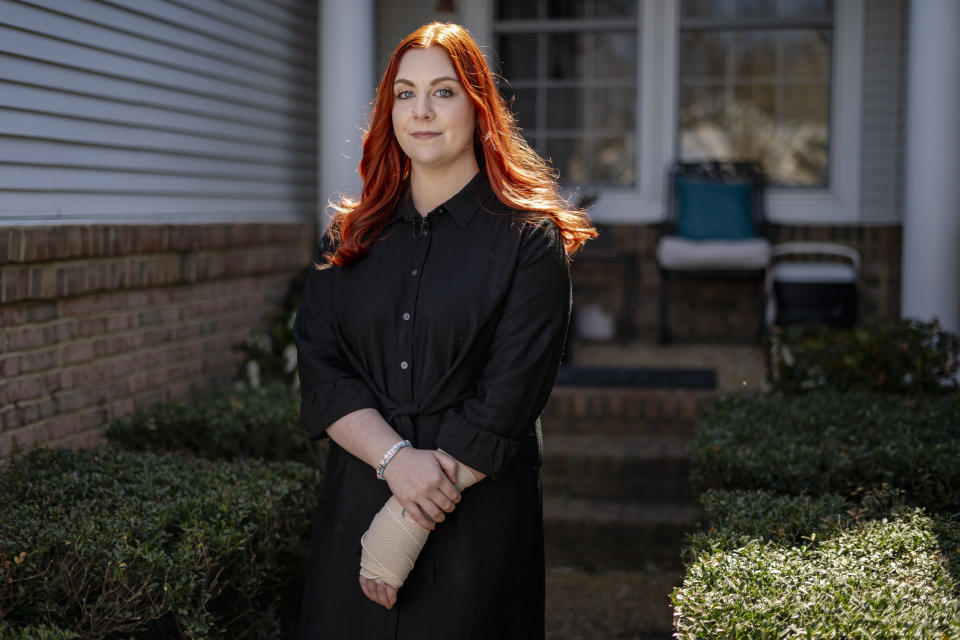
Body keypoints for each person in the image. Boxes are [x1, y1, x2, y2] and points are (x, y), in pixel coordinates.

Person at [293, 21, 596, 640]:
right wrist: (394, 461)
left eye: (443, 92)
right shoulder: (349, 238)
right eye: (405, 94)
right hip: (358, 502)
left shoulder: (527, 241)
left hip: (473, 524)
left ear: (479, 107)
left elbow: (508, 396)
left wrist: (402, 526)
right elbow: (322, 369)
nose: (421, 112)